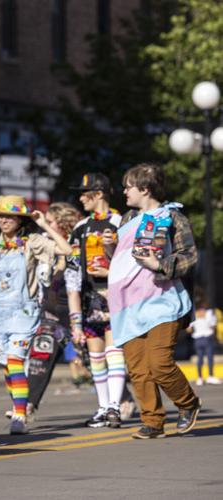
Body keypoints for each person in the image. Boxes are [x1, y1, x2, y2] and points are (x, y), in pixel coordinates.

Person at [107, 163, 200, 439]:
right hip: (127, 304)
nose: (124, 191)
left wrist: (159, 264)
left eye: (128, 187)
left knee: (159, 362)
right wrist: (109, 246)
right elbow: (123, 260)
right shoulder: (126, 220)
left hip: (162, 300)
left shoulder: (172, 217)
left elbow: (189, 256)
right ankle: (153, 421)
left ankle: (188, 403)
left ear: (145, 189)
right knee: (138, 368)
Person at [0, 195, 72, 434]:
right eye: (1, 216)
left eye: (10, 216)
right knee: (8, 365)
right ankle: (20, 407)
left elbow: (65, 249)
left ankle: (19, 416)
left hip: (24, 312)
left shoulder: (33, 242)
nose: (4, 220)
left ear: (20, 219)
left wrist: (44, 224)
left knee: (16, 361)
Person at [66, 173, 127, 429]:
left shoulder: (122, 222)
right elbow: (71, 276)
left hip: (118, 297)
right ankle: (103, 408)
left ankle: (115, 406)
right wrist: (75, 322)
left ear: (99, 194)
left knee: (115, 353)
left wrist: (110, 269)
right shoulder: (80, 228)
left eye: (84, 193)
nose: (80, 198)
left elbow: (133, 266)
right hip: (90, 300)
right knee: (96, 357)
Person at [26, 202, 83, 415]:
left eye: (50, 222)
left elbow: (73, 286)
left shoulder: (75, 245)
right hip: (52, 312)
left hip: (78, 311)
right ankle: (27, 405)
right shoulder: (46, 245)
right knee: (41, 355)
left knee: (90, 359)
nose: (44, 226)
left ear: (63, 223)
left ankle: (122, 400)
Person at [189, 293, 220, 386]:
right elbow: (213, 324)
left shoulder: (194, 314)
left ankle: (200, 378)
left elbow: (189, 329)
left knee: (200, 358)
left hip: (197, 338)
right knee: (210, 358)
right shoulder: (209, 312)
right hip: (207, 337)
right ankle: (210, 376)